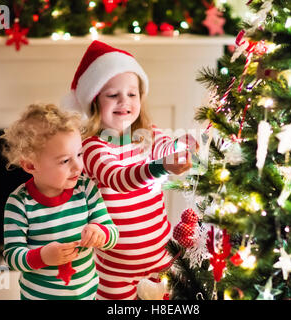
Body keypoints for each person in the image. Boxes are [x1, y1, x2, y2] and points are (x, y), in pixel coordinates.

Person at [62, 40, 199, 300]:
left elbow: (165, 148)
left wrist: (182, 145)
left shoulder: (146, 134)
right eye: (113, 95)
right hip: (114, 268)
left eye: (132, 94)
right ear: (93, 102)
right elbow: (119, 178)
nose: (124, 101)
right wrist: (161, 167)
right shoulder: (91, 147)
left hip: (160, 258)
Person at [1, 103, 119, 300]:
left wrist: (100, 232)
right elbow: (12, 256)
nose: (77, 166)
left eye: (79, 155)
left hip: (87, 295)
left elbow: (112, 232)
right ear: (30, 165)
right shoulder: (19, 203)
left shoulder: (86, 189)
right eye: (65, 160)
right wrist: (42, 256)